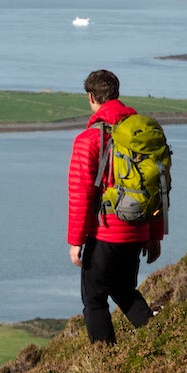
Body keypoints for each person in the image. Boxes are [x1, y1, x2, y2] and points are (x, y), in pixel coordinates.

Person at [67, 69, 163, 345]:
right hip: (137, 229)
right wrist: (154, 233)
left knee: (94, 300)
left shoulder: (89, 140)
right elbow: (157, 187)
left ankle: (104, 361)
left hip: (105, 233)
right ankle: (159, 340)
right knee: (124, 290)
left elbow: (80, 194)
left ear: (91, 97)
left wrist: (75, 241)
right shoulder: (142, 134)